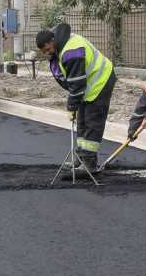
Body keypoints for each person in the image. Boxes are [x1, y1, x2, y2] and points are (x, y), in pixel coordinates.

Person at [35, 23, 116, 175]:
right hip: (88, 86)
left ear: (52, 40)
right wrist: (74, 104)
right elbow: (73, 82)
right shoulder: (60, 47)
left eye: (48, 49)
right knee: (82, 120)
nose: (48, 53)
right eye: (44, 51)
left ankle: (89, 164)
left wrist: (71, 106)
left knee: (92, 122)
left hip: (101, 81)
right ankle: (80, 158)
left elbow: (77, 83)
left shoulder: (71, 51)